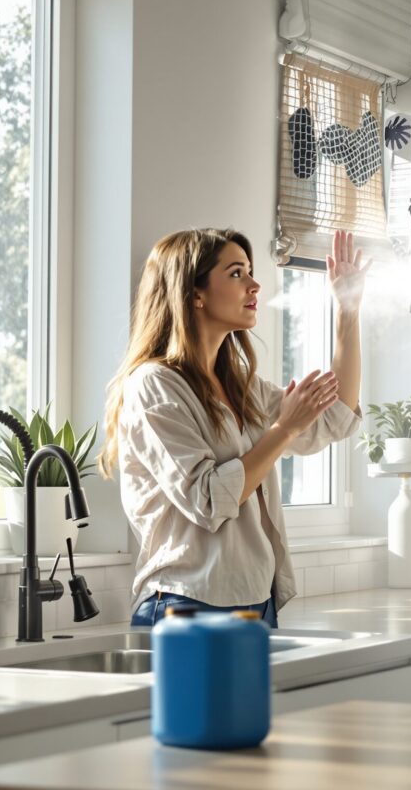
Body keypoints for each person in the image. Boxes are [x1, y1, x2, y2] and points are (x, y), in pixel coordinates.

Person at [100, 229, 368, 629]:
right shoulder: (154, 385)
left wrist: (347, 309)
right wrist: (284, 428)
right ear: (195, 294)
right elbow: (208, 500)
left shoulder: (242, 385)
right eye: (237, 273)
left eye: (250, 271)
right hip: (185, 604)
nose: (254, 285)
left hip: (256, 603)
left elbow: (337, 416)